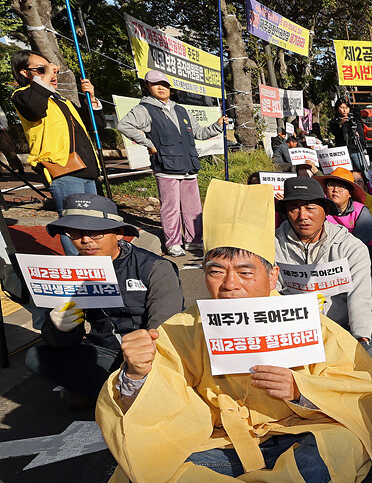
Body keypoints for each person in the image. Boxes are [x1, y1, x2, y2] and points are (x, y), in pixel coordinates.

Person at [90, 180, 372, 483]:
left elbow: (358, 383)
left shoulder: (307, 321)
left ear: (273, 274)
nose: (230, 285)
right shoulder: (182, 328)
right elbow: (153, 407)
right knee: (141, 467)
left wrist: (302, 391)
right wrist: (136, 375)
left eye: (246, 271)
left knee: (346, 447)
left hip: (295, 435)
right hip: (219, 443)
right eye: (216, 271)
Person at [26, 194, 183, 407]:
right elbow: (63, 343)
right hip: (104, 351)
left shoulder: (155, 268)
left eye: (96, 233)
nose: (85, 240)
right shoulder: (69, 272)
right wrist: (59, 329)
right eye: (75, 233)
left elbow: (164, 330)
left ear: (119, 234)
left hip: (146, 353)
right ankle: (118, 396)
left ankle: (108, 395)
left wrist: (139, 359)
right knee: (36, 356)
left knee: (166, 358)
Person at [274, 177, 372, 355]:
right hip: (296, 333)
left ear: (325, 211)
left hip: (341, 329)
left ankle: (345, 357)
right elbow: (271, 295)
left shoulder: (352, 247)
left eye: (310, 208)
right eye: (294, 208)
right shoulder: (272, 245)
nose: (302, 216)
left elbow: (360, 298)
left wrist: (362, 342)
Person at [118, 71, 229, 257]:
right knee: (170, 208)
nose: (161, 88)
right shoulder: (144, 109)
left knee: (193, 208)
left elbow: (199, 133)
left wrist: (217, 125)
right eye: (156, 84)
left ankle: (194, 241)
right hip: (166, 167)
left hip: (188, 167)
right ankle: (174, 243)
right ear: (147, 87)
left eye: (165, 84)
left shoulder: (181, 109)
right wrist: (149, 144)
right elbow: (124, 125)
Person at [10, 50, 103, 258]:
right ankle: (79, 270)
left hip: (86, 167)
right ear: (25, 72)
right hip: (62, 169)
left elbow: (96, 126)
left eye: (52, 69)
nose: (51, 73)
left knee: (93, 221)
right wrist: (43, 79)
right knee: (73, 222)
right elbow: (34, 108)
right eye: (41, 69)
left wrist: (93, 99)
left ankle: (96, 267)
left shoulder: (61, 100)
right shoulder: (22, 95)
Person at [321, 167, 372, 273]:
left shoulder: (361, 211)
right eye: (331, 185)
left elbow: (360, 241)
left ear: (350, 193)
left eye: (341, 187)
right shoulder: (319, 209)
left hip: (354, 253)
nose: (335, 190)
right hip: (327, 254)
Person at [329, 99, 369, 173]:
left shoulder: (355, 121)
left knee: (363, 170)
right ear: (337, 108)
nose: (344, 110)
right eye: (342, 107)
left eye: (346, 108)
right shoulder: (334, 121)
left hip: (355, 150)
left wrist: (357, 136)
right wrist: (340, 123)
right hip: (342, 151)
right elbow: (335, 132)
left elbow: (362, 136)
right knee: (345, 172)